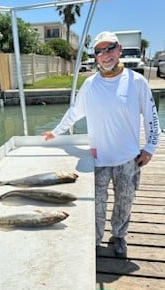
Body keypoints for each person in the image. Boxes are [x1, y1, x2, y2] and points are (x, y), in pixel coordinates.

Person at [42, 31, 161, 256]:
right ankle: (94, 240)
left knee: (125, 202)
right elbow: (74, 113)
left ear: (119, 50)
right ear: (95, 56)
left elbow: (152, 118)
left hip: (129, 159)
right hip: (98, 160)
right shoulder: (89, 85)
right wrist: (54, 133)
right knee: (96, 204)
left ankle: (119, 236)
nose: (105, 55)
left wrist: (150, 147)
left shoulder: (137, 82)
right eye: (99, 51)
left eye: (110, 48)